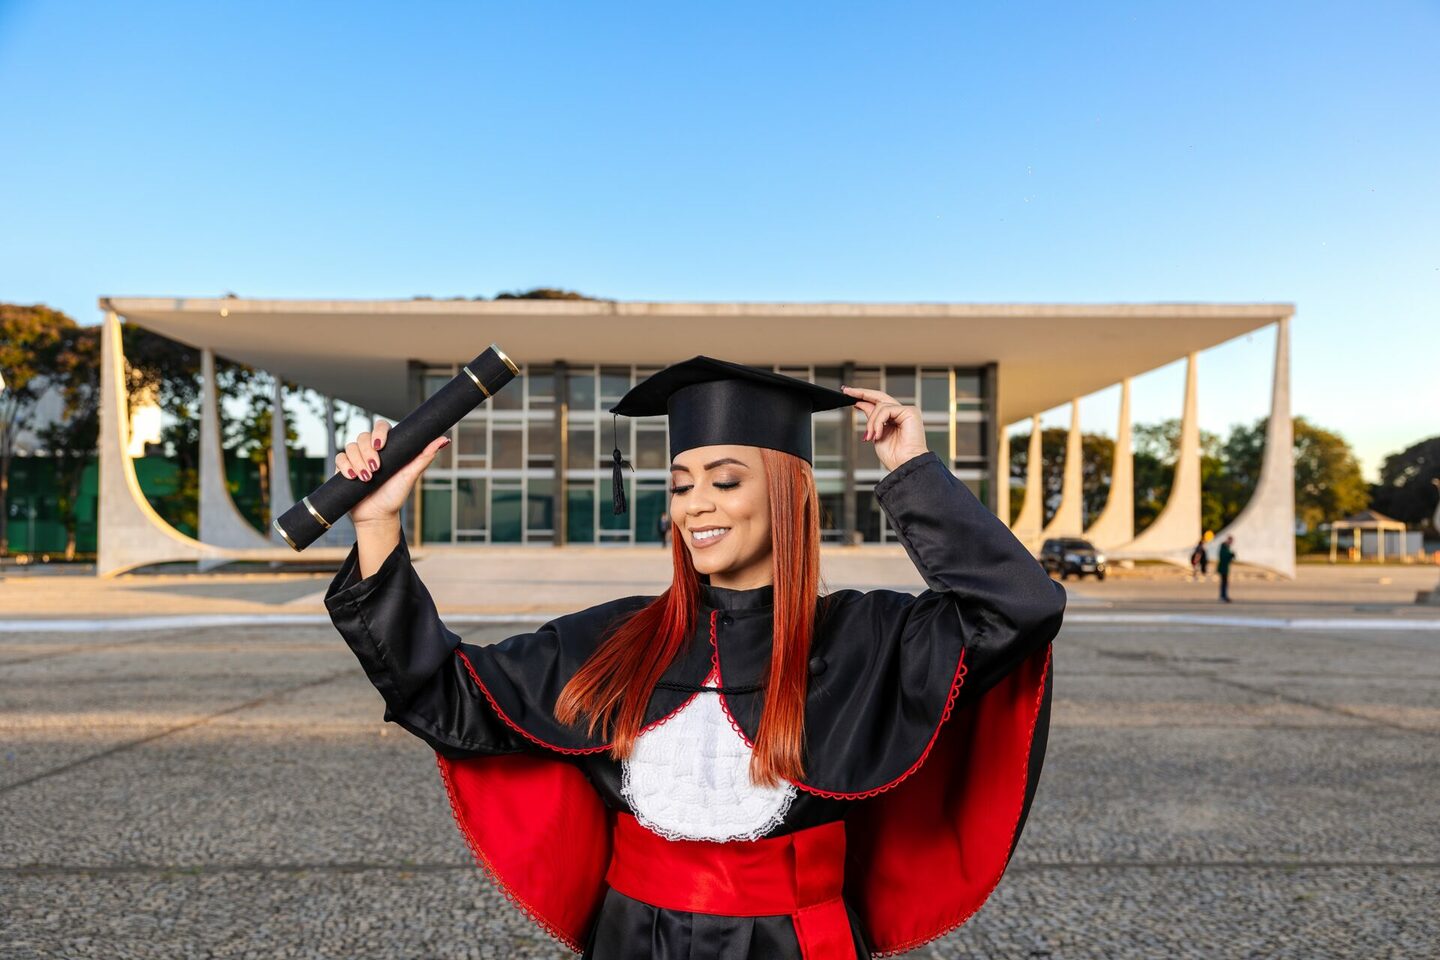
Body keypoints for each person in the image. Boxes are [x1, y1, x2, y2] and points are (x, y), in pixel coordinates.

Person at [324, 356, 1067, 959]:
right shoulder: (616, 639)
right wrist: (378, 521)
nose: (696, 506)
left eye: (726, 481)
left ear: (789, 493)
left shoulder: (870, 638)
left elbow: (1019, 608)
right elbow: (444, 693)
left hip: (799, 943)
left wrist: (915, 477)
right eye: (681, 486)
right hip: (629, 937)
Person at [1218, 535, 1236, 602]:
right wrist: (1231, 555)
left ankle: (1223, 596)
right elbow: (1223, 556)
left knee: (1225, 582)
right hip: (1223, 568)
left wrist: (1231, 556)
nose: (1231, 542)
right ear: (1228, 540)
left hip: (1225, 568)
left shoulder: (1226, 547)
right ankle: (1223, 596)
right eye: (1231, 541)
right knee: (1224, 582)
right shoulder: (1224, 547)